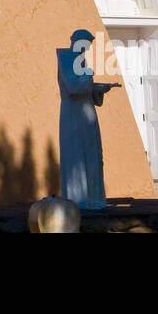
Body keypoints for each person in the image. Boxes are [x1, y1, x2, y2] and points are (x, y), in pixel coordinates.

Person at [57, 28, 119, 210]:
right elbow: (74, 87)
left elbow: (84, 88)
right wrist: (89, 75)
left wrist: (99, 89)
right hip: (73, 115)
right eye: (86, 42)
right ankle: (80, 200)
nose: (88, 47)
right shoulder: (67, 58)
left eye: (90, 44)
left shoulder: (79, 59)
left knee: (92, 154)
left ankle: (94, 199)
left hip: (85, 115)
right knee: (77, 155)